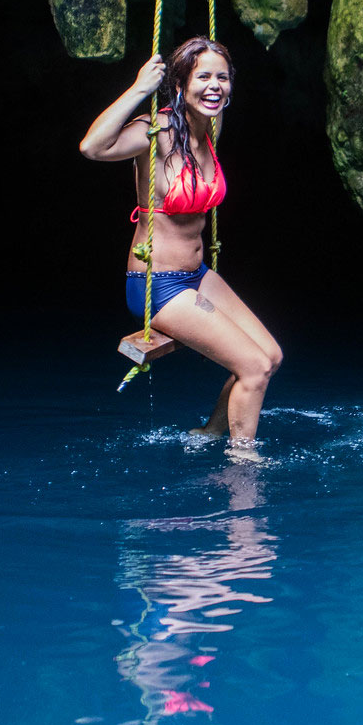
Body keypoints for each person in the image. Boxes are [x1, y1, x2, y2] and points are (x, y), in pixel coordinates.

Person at [79, 36, 282, 442]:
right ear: (180, 85)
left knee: (270, 357)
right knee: (253, 368)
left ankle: (209, 433)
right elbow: (92, 147)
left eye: (222, 78)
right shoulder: (153, 132)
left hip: (196, 274)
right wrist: (139, 88)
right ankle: (241, 470)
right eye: (203, 76)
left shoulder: (211, 127)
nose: (214, 86)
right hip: (159, 284)